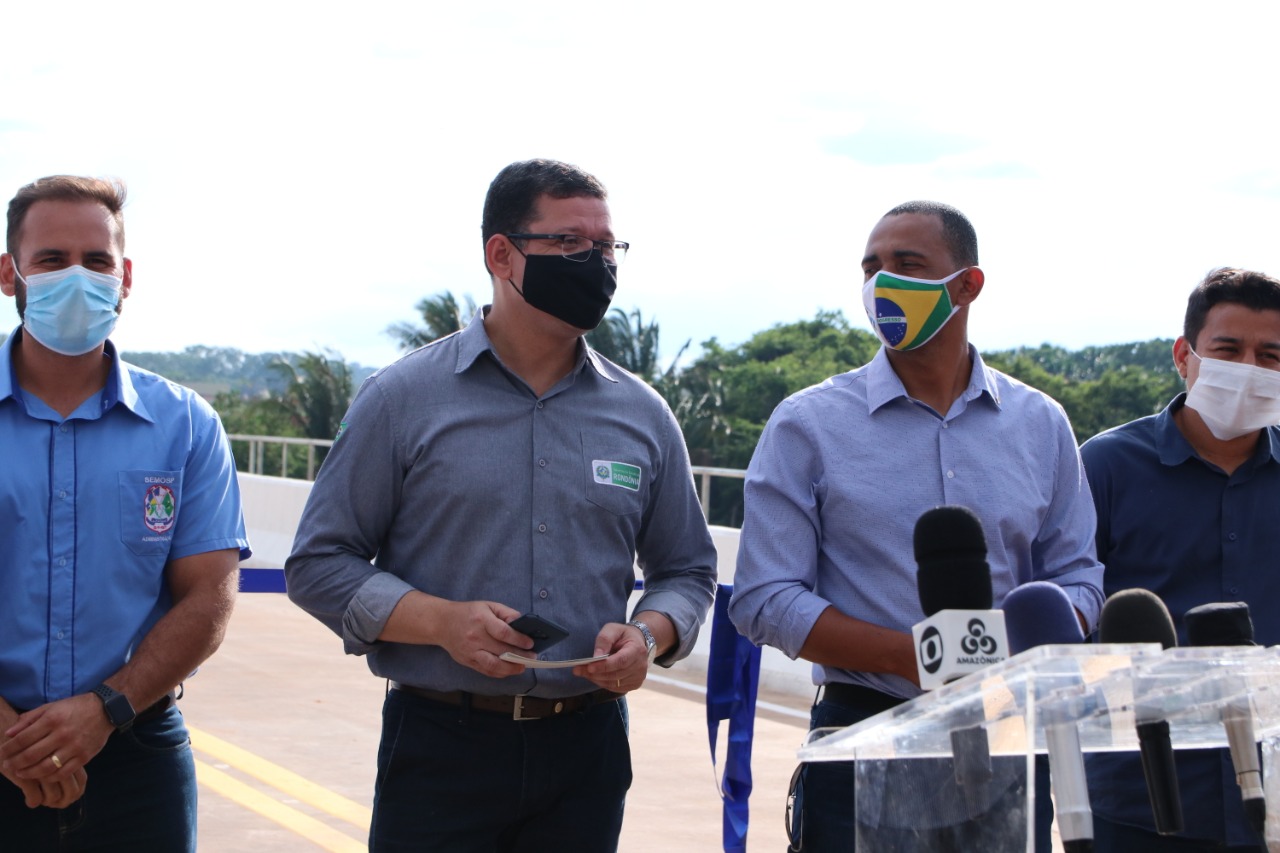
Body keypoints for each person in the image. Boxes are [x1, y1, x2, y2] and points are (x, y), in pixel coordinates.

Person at [285, 158, 717, 852]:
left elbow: (688, 569)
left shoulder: (643, 414)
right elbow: (318, 563)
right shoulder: (401, 398)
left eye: (608, 246)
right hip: (441, 747)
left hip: (588, 751)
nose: (597, 263)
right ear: (501, 255)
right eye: (570, 243)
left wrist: (649, 635)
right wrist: (441, 622)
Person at [728, 200, 1105, 851]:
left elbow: (1078, 575)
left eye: (908, 265)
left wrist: (1036, 636)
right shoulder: (807, 424)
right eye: (871, 268)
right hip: (863, 732)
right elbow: (765, 597)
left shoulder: (1041, 423)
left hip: (1010, 733)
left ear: (967, 285)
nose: (883, 283)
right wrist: (918, 657)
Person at [0, 175, 250, 851]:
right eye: (52, 259)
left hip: (135, 753)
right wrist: (11, 737)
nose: (76, 277)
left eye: (96, 260)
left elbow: (208, 595)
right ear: (9, 273)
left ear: (125, 277)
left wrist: (104, 710)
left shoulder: (185, 425)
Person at [1082, 267, 1280, 852]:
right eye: (1228, 350)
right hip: (1139, 795)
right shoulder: (1106, 466)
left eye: (1270, 355)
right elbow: (1071, 604)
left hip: (1273, 794)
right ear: (1183, 356)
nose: (1249, 368)